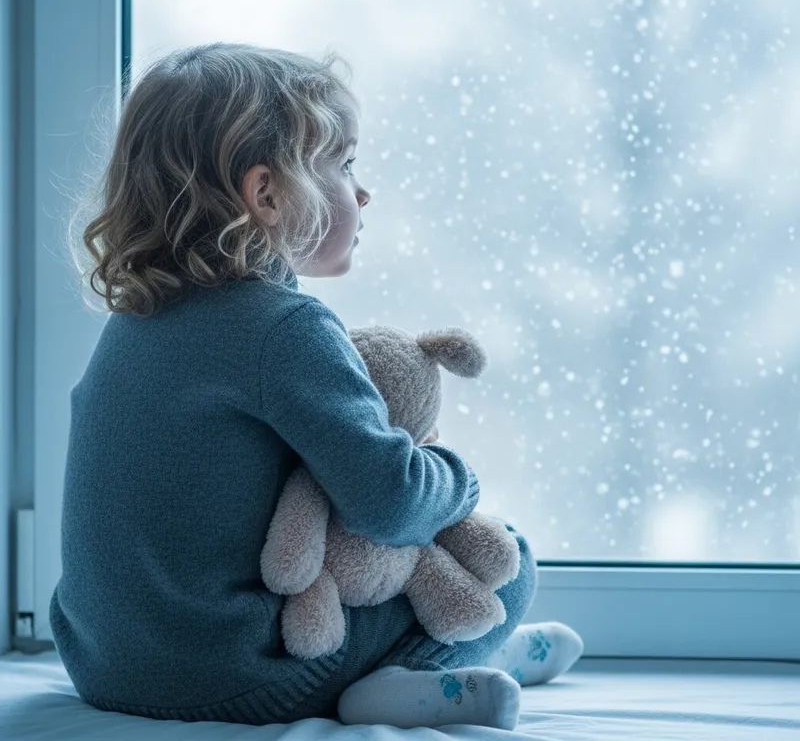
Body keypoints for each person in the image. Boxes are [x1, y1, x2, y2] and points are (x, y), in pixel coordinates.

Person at [50, 43, 582, 730]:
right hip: (233, 677)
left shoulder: (136, 320)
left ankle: (469, 663)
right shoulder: (284, 328)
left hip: (103, 665)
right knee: (508, 562)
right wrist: (455, 474)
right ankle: (411, 681)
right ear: (267, 194)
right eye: (345, 164)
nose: (363, 192)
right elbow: (389, 503)